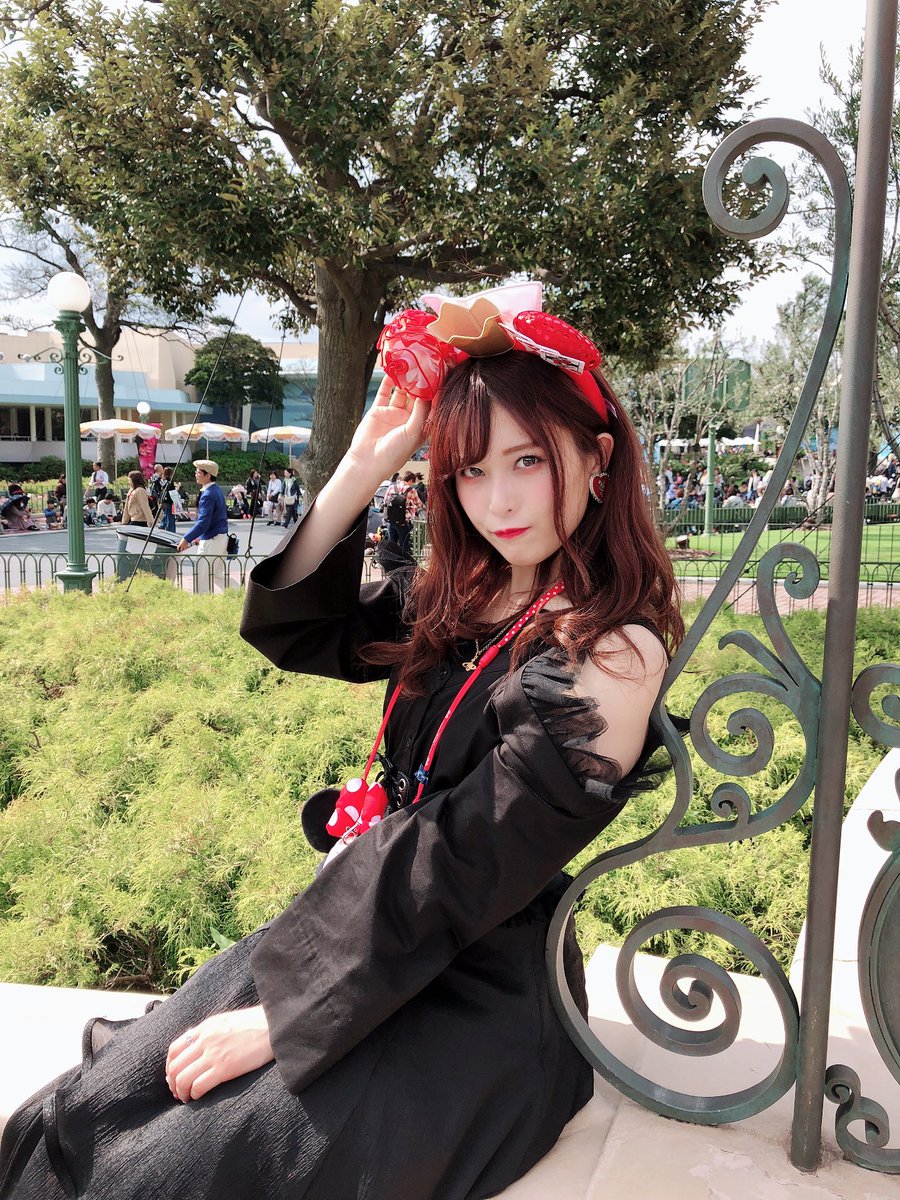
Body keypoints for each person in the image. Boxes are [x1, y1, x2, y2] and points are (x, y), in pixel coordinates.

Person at [0, 285, 682, 1200]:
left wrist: (286, 1013)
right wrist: (361, 468)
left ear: (597, 459)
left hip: (470, 993)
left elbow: (467, 858)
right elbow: (296, 632)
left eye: (528, 459)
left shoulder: (609, 651)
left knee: (167, 1170)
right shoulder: (465, 599)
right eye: (469, 470)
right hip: (355, 932)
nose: (498, 500)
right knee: (90, 1111)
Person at [177, 459, 229, 593]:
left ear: (208, 475)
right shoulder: (216, 490)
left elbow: (203, 523)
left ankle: (202, 603)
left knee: (202, 578)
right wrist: (198, 537)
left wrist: (186, 538)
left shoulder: (208, 494)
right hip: (220, 537)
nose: (196, 474)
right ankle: (238, 596)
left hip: (211, 540)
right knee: (217, 576)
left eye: (198, 472)